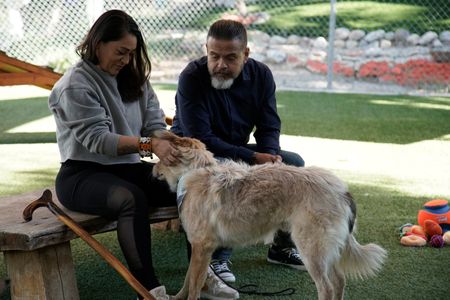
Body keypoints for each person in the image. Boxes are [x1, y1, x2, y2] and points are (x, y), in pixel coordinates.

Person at [48, 10, 236, 300]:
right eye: (120, 51)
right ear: (98, 44)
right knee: (130, 199)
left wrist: (170, 144)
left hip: (128, 169)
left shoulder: (134, 78)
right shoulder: (75, 84)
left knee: (194, 185)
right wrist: (150, 146)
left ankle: (202, 276)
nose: (126, 59)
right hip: (82, 175)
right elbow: (98, 140)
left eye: (131, 53)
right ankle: (149, 291)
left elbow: (154, 126)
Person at [171, 19, 306, 284]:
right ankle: (218, 258)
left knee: (294, 164)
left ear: (246, 54)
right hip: (194, 155)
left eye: (230, 57)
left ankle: (282, 246)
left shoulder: (262, 75)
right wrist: (254, 158)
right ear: (206, 50)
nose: (220, 65)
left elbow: (269, 125)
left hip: (236, 152)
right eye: (214, 56)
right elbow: (201, 138)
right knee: (223, 174)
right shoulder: (191, 77)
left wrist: (271, 158)